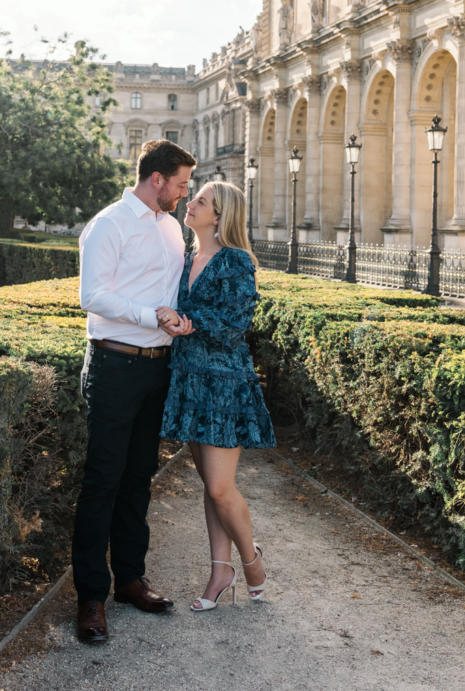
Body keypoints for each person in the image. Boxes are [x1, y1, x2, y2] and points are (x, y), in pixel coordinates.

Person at [73, 139, 197, 644]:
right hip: (114, 364)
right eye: (182, 184)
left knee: (139, 477)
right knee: (102, 480)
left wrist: (179, 320)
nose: (186, 194)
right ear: (158, 179)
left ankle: (129, 580)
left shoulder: (172, 228)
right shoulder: (108, 224)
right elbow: (93, 295)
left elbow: (170, 293)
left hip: (156, 368)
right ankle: (90, 598)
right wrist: (153, 317)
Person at [156, 181, 276, 611]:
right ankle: (219, 571)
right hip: (188, 380)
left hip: (224, 384)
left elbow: (234, 323)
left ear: (220, 216)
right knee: (210, 484)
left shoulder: (236, 260)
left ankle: (252, 562)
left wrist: (187, 320)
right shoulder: (186, 257)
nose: (191, 203)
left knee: (222, 488)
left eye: (201, 201)